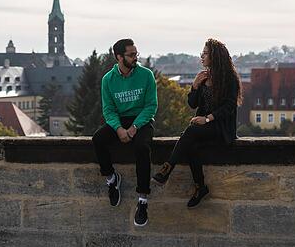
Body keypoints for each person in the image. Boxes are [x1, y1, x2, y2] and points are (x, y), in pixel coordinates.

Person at [152, 38, 241, 208]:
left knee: (191, 132)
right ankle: (200, 187)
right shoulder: (203, 77)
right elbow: (192, 104)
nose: (202, 57)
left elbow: (229, 107)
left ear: (215, 56)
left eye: (205, 53)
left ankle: (167, 169)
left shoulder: (230, 79)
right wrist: (194, 86)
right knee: (190, 144)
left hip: (221, 128)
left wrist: (207, 118)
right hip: (203, 128)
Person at [91, 38, 158, 226]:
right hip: (119, 121)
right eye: (131, 55)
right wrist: (119, 128)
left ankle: (142, 200)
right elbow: (108, 110)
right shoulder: (108, 79)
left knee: (143, 148)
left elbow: (151, 106)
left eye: (136, 53)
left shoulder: (146, 75)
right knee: (98, 139)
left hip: (142, 121)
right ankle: (112, 178)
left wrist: (134, 128)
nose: (136, 57)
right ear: (119, 57)